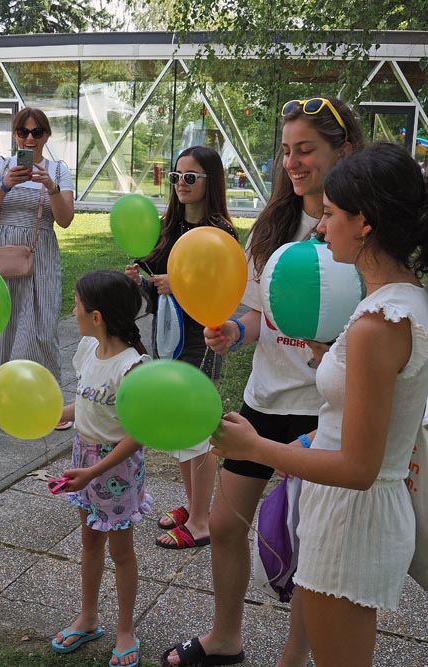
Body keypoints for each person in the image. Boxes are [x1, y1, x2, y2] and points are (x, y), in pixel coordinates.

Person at [209, 142, 428, 666]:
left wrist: (256, 446)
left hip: (351, 519)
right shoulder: (402, 300)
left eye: (328, 214)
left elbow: (357, 467)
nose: (321, 229)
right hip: (356, 514)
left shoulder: (377, 323)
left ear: (364, 222)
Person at [163, 96, 363, 667]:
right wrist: (234, 330)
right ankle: (226, 640)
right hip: (265, 397)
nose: (293, 163)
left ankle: (293, 659)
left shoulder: (360, 227)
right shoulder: (275, 224)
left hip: (324, 407)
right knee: (225, 522)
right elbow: (257, 314)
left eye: (306, 150)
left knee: (310, 545)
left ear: (343, 150)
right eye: (286, 151)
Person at [123, 145, 236, 550]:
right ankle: (193, 506)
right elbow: (158, 285)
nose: (181, 184)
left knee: (199, 429)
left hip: (201, 339)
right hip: (168, 337)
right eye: (176, 177)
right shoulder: (168, 226)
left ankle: (203, 521)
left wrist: (180, 285)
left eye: (190, 177)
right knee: (181, 426)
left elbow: (220, 289)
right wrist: (142, 281)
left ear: (210, 181)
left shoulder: (220, 231)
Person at [54, 270, 151, 667]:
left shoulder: (131, 368)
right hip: (83, 457)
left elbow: (139, 432)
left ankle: (126, 630)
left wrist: (96, 472)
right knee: (89, 542)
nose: (72, 310)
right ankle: (88, 617)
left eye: (76, 304)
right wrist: (57, 414)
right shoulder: (87, 350)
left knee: (121, 551)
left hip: (116, 467)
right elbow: (90, 402)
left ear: (97, 316)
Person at [0, 107, 74, 390]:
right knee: (4, 323)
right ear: (15, 135)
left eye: (37, 132)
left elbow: (65, 220)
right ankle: (2, 391)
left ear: (46, 135)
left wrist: (51, 188)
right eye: (23, 131)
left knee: (41, 324)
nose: (30, 138)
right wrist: (6, 184)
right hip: (5, 250)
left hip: (41, 251)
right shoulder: (2, 166)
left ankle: (42, 392)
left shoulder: (58, 170)